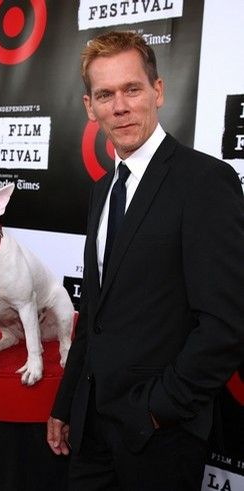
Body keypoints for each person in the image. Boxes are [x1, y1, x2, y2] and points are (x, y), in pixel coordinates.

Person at [47, 30, 244, 491]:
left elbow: (225, 326)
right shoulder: (102, 188)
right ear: (89, 107)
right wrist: (65, 402)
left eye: (132, 89)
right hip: (92, 426)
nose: (120, 106)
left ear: (157, 91)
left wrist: (153, 411)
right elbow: (94, 314)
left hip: (161, 437)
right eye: (105, 94)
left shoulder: (205, 182)